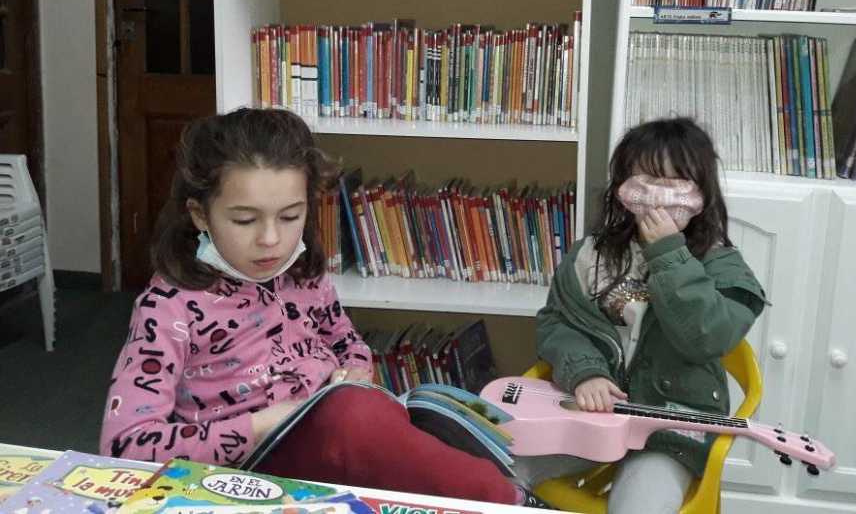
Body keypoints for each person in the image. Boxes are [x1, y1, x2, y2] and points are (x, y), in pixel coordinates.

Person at [99, 107, 550, 508]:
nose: (271, 240)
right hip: (250, 474)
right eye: (244, 220)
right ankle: (513, 501)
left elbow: (349, 344)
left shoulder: (303, 275)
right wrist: (262, 424)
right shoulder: (168, 308)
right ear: (200, 214)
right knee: (356, 422)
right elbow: (125, 447)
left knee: (415, 416)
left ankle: (498, 494)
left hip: (335, 443)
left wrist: (351, 373)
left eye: (291, 216)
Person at [512, 117, 768, 514]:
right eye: (646, 179)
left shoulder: (723, 267)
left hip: (670, 432)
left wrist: (668, 255)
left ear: (702, 192)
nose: (659, 195)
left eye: (675, 181)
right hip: (592, 418)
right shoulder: (590, 257)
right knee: (497, 467)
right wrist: (585, 370)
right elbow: (557, 321)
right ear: (622, 189)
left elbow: (708, 336)